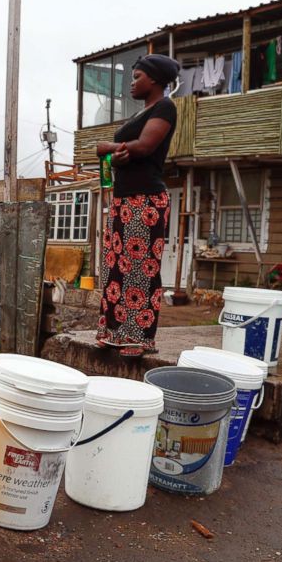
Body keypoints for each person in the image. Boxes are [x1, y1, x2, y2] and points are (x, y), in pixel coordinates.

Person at [95, 54, 180, 358]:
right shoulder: (142, 113)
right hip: (123, 199)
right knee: (116, 266)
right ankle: (113, 332)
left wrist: (108, 148)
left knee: (140, 268)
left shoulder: (165, 107)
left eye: (137, 77)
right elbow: (129, 149)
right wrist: (117, 154)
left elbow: (144, 146)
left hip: (145, 200)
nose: (132, 83)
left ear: (155, 79)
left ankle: (139, 337)